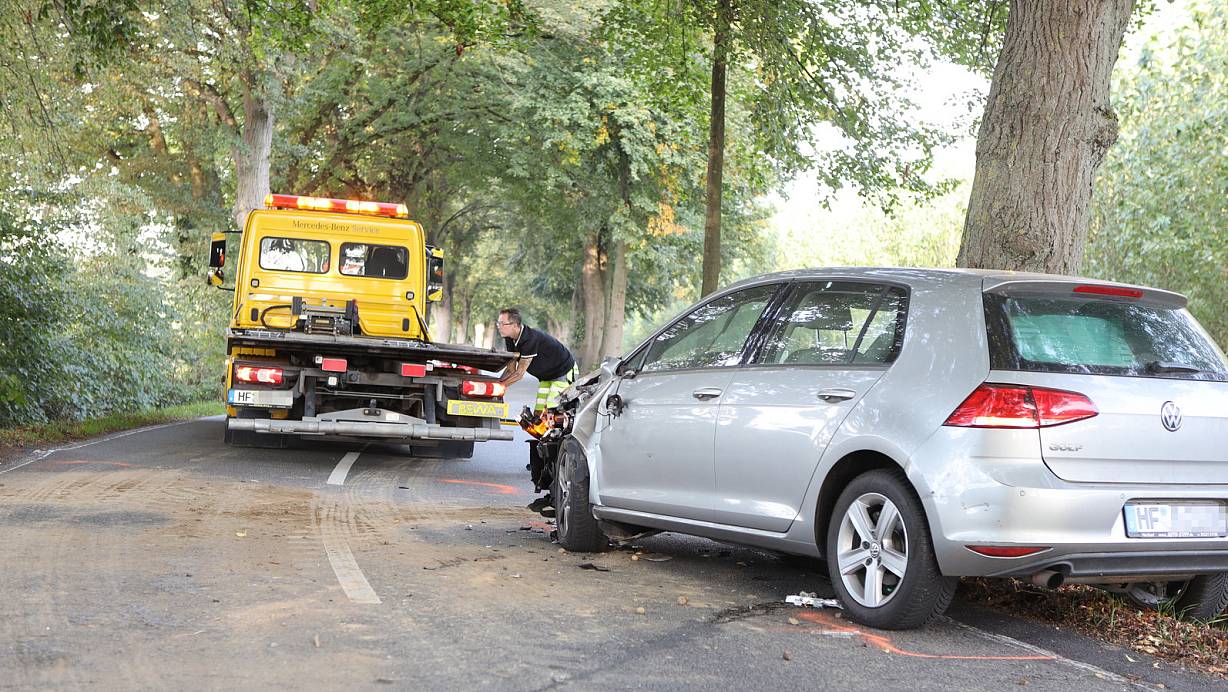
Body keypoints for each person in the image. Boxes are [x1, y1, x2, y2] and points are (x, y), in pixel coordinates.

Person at [496, 308, 578, 412]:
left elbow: (519, 374)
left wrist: (498, 387)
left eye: (503, 324)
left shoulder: (529, 339)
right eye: (498, 323)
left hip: (564, 372)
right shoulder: (509, 339)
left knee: (552, 411)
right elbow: (511, 370)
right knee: (538, 413)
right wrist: (496, 383)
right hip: (546, 377)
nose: (499, 327)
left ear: (515, 325)